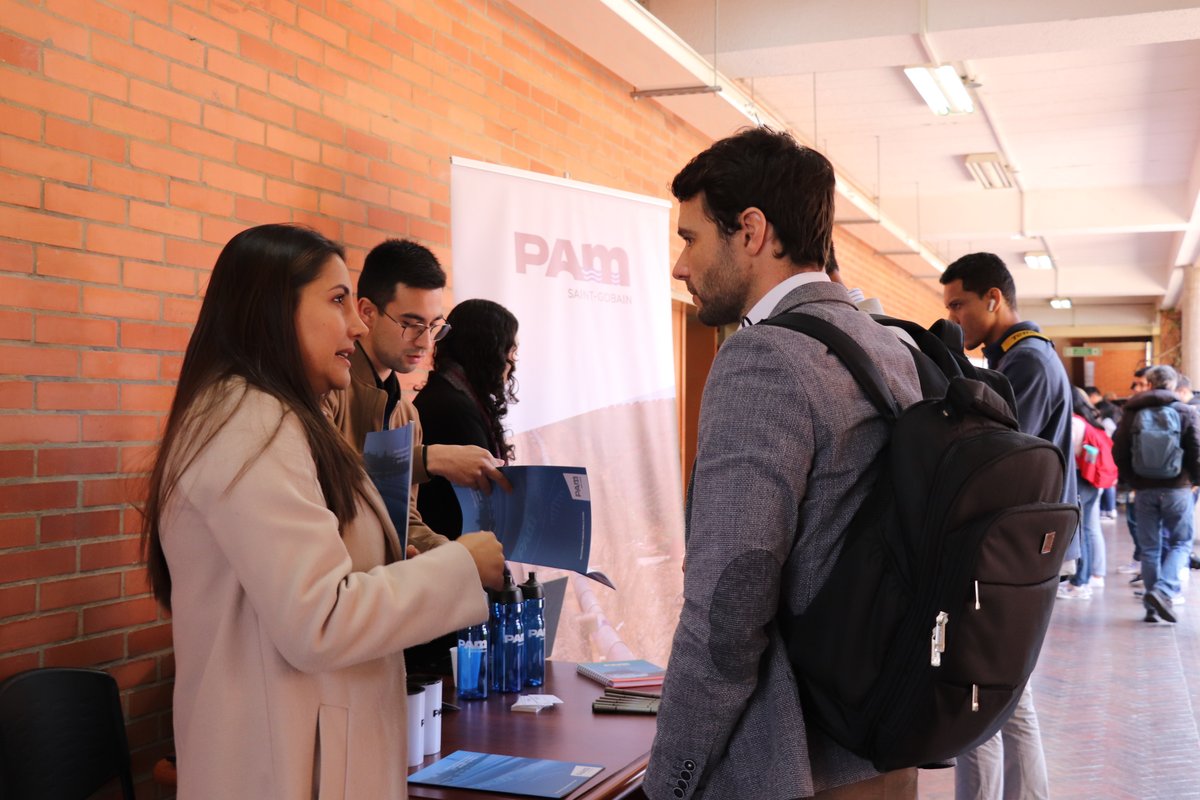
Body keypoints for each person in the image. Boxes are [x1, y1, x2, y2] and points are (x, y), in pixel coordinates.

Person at [140, 224, 506, 798]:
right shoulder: (250, 423)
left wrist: (399, 561)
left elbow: (319, 576)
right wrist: (458, 564)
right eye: (338, 301)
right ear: (272, 311)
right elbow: (320, 619)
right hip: (277, 760)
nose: (357, 325)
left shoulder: (282, 416)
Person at [646, 128, 922, 799]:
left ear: (751, 230)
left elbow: (728, 608)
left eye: (690, 237)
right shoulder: (888, 345)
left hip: (794, 761)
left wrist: (671, 779)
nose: (680, 266)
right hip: (888, 739)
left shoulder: (763, 359)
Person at [941, 252, 1074, 800]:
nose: (954, 318)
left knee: (984, 690)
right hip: (1019, 549)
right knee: (1003, 693)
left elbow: (996, 457)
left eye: (959, 305)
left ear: (993, 299)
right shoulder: (1017, 359)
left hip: (1016, 552)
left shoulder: (1028, 364)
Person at [415, 298, 519, 538]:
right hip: (453, 555)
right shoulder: (451, 406)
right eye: (510, 351)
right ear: (489, 350)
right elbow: (488, 494)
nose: (512, 364)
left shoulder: (450, 394)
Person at [1111, 364, 1200, 623]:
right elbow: (1196, 449)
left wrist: (1133, 480)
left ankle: (1151, 606)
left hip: (1145, 491)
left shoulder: (1131, 411)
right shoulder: (1185, 411)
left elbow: (1118, 451)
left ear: (1149, 384)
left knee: (1150, 548)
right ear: (1173, 385)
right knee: (1181, 542)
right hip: (1178, 489)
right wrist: (1195, 480)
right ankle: (1163, 591)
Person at [1058, 387, 1112, 599]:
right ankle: (1090, 578)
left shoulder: (1072, 422)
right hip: (1091, 481)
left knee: (1079, 534)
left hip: (1079, 480)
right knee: (1088, 530)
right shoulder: (1088, 421)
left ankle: (1080, 582)